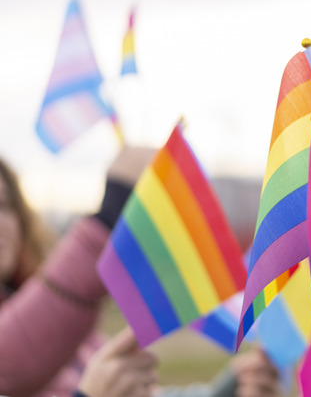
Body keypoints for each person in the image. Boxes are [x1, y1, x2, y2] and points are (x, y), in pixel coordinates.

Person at [0, 148, 281, 397]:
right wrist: (109, 215)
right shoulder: (42, 329)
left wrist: (232, 389)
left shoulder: (69, 330)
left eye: (3, 205)